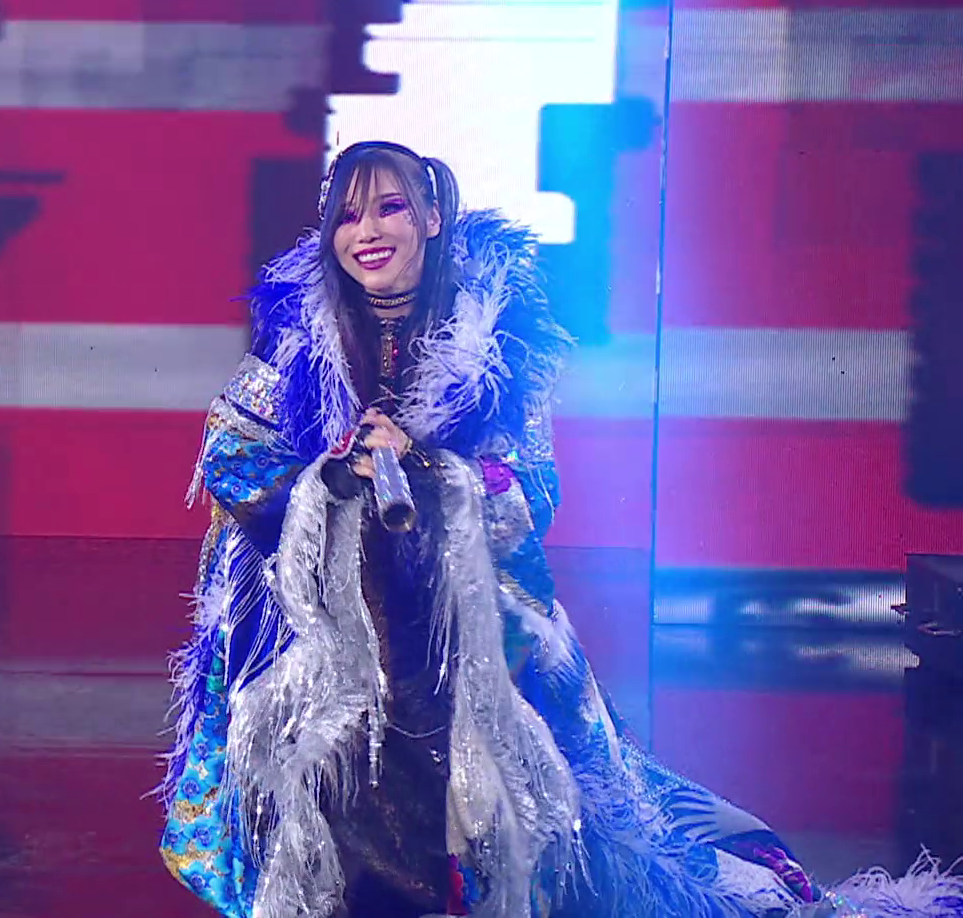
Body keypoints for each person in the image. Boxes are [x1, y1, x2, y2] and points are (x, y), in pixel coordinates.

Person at [158, 141, 963, 918]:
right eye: (347, 216)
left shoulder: (495, 343)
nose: (366, 232)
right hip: (334, 631)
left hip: (465, 627)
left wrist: (430, 471)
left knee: (537, 826)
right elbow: (232, 456)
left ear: (432, 216)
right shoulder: (299, 338)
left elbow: (532, 490)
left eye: (390, 208)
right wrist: (334, 476)